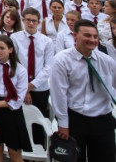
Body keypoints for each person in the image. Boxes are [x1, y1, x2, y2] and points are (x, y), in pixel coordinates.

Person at [50, 19, 116, 162]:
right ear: (75, 36)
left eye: (95, 36)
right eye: (87, 35)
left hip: (103, 119)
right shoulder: (61, 60)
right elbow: (59, 94)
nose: (92, 40)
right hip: (76, 119)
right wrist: (63, 123)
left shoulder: (107, 61)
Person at [0, 35, 31, 162]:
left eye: (2, 48)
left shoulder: (20, 70)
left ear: (10, 50)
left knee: (15, 152)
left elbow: (17, 101)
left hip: (11, 112)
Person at [11, 8, 54, 119]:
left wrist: (30, 86)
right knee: (20, 118)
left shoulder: (47, 41)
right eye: (28, 20)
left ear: (38, 22)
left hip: (40, 87)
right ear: (23, 20)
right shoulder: (15, 38)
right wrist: (24, 87)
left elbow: (48, 67)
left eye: (34, 21)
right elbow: (14, 62)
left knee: (39, 119)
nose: (31, 23)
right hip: (19, 85)